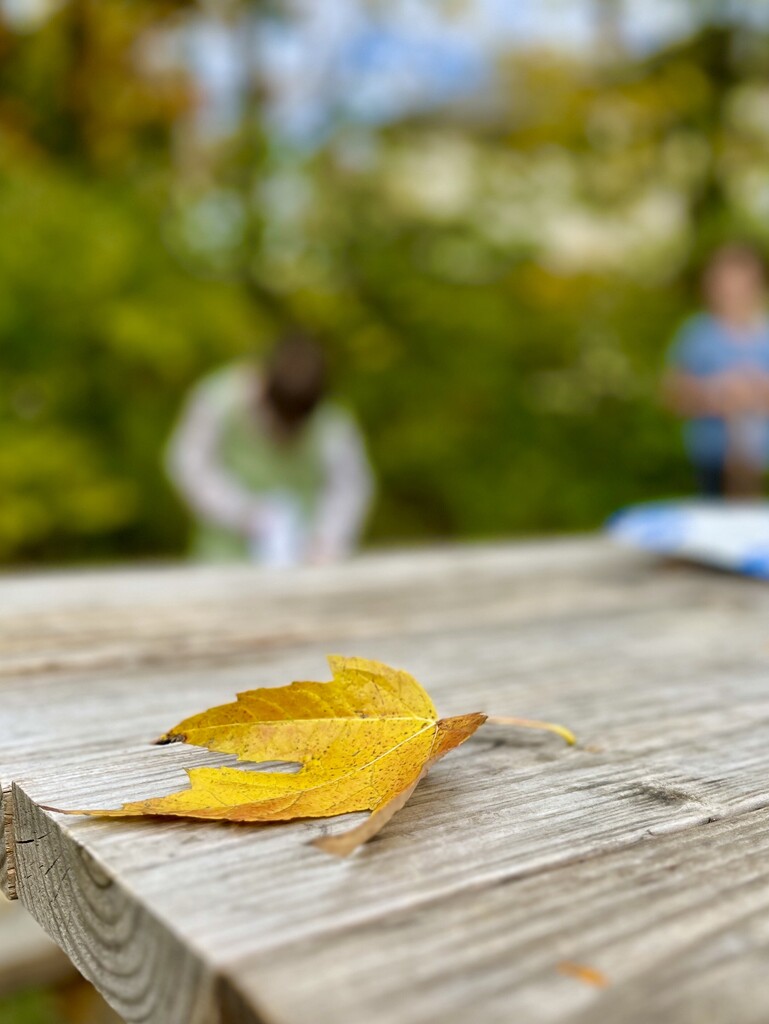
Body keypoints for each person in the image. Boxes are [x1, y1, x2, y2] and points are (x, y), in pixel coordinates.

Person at [167, 334, 374, 565]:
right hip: (221, 563)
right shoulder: (217, 400)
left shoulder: (333, 424)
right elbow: (188, 467)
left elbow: (351, 487)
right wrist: (242, 513)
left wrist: (327, 538)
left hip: (305, 568)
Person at [664, 244, 769, 498]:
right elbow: (671, 395)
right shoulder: (696, 334)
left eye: (741, 284)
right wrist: (715, 394)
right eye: (725, 284)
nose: (733, 292)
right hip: (713, 464)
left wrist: (757, 391)